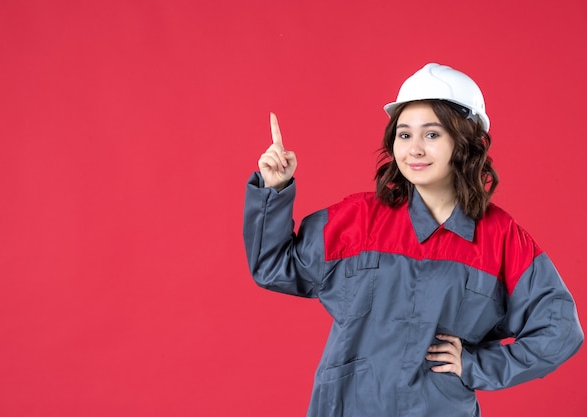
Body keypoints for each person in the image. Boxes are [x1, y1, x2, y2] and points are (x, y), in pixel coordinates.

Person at [242, 63, 583, 417]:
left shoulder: (501, 239)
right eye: (404, 135)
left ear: (466, 142)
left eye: (432, 135)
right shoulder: (358, 219)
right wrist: (274, 189)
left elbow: (559, 330)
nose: (415, 149)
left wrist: (477, 365)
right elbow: (274, 267)